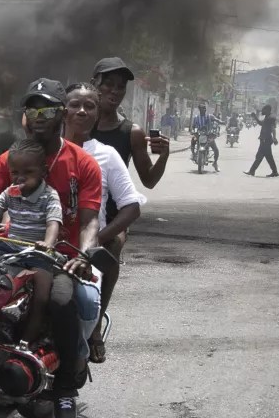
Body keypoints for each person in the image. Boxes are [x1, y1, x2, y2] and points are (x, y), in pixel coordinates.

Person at [0, 78, 102, 418]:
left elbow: (89, 220)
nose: (39, 115)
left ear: (62, 114)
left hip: (57, 255)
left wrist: (82, 254)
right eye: (32, 108)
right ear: (25, 116)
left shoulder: (83, 163)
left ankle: (65, 386)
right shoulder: (11, 159)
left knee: (62, 300)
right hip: (11, 248)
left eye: (48, 108)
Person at [63, 82, 145, 364]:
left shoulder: (106, 155)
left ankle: (94, 328)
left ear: (98, 114)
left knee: (113, 244)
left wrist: (96, 240)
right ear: (62, 111)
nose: (82, 111)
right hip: (46, 242)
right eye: (75, 105)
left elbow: (131, 207)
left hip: (85, 244)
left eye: (90, 106)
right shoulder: (43, 150)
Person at [0, 138, 62, 345]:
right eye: (15, 172)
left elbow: (53, 223)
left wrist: (48, 243)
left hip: (37, 252)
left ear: (43, 171)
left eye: (28, 172)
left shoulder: (49, 196)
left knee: (42, 296)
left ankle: (27, 340)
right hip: (9, 247)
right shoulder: (10, 192)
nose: (20, 178)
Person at [90, 58, 171, 196]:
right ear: (93, 84)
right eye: (108, 84)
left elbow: (149, 181)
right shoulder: (75, 124)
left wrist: (164, 156)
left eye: (121, 87)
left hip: (115, 215)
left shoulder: (133, 133)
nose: (114, 91)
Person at [244, 105, 279, 177]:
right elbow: (261, 123)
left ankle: (252, 171)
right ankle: (274, 172)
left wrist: (274, 138)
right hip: (264, 140)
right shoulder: (267, 117)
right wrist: (255, 117)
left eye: (264, 110)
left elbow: (273, 128)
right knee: (268, 157)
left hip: (266, 140)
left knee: (260, 156)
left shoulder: (271, 118)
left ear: (267, 110)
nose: (262, 111)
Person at [190, 102, 220, 171]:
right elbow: (193, 126)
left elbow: (217, 120)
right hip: (199, 135)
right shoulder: (196, 118)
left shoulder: (209, 116)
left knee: (216, 149)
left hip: (208, 135)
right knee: (193, 140)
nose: (204, 110)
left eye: (204, 109)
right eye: (202, 109)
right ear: (199, 110)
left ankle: (215, 163)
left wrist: (222, 122)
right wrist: (193, 131)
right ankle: (193, 154)